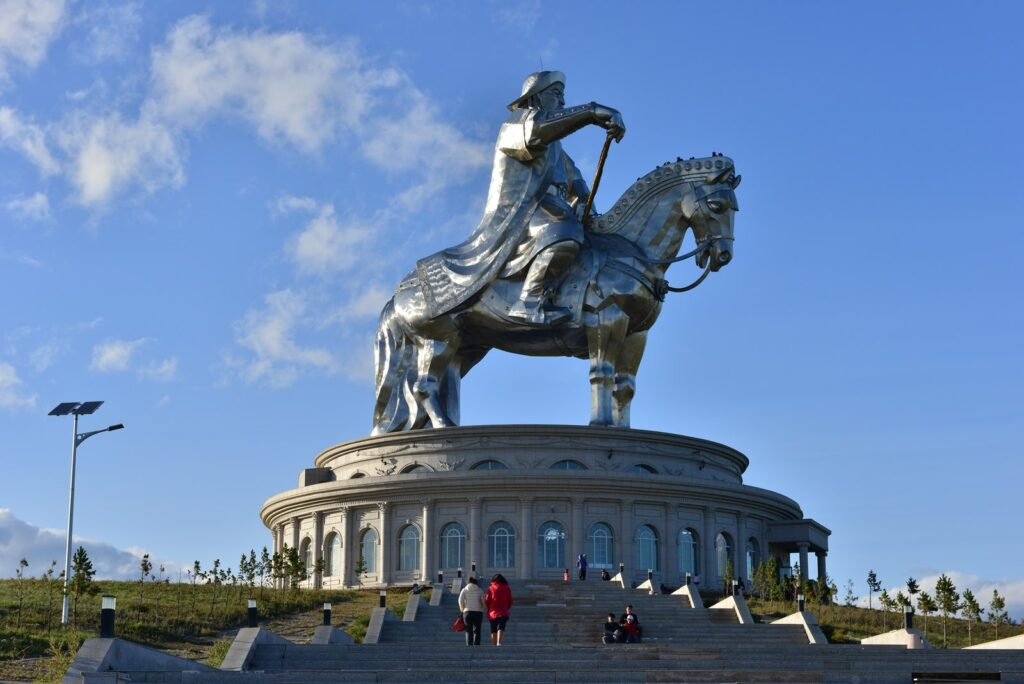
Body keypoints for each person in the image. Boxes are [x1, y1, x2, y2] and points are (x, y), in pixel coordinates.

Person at [416, 71, 626, 327]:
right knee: (564, 232)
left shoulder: (556, 148)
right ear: (535, 98)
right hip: (527, 210)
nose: (562, 101)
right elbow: (538, 130)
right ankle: (529, 302)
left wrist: (585, 204)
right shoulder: (516, 127)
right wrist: (591, 112)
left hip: (557, 207)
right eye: (556, 94)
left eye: (563, 95)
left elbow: (575, 181)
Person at [484, 573, 513, 646]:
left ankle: (494, 644)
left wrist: (489, 608)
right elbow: (510, 600)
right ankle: (499, 643)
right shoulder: (506, 588)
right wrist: (507, 607)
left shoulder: (491, 588)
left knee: (493, 629)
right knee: (501, 627)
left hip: (493, 612)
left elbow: (487, 600)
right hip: (503, 611)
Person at [457, 576, 486, 646]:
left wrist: (462, 609)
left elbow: (460, 600)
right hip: (478, 612)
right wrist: (483, 608)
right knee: (477, 630)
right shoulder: (480, 590)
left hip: (467, 612)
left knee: (468, 630)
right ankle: (477, 645)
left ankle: (469, 645)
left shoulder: (464, 590)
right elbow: (483, 601)